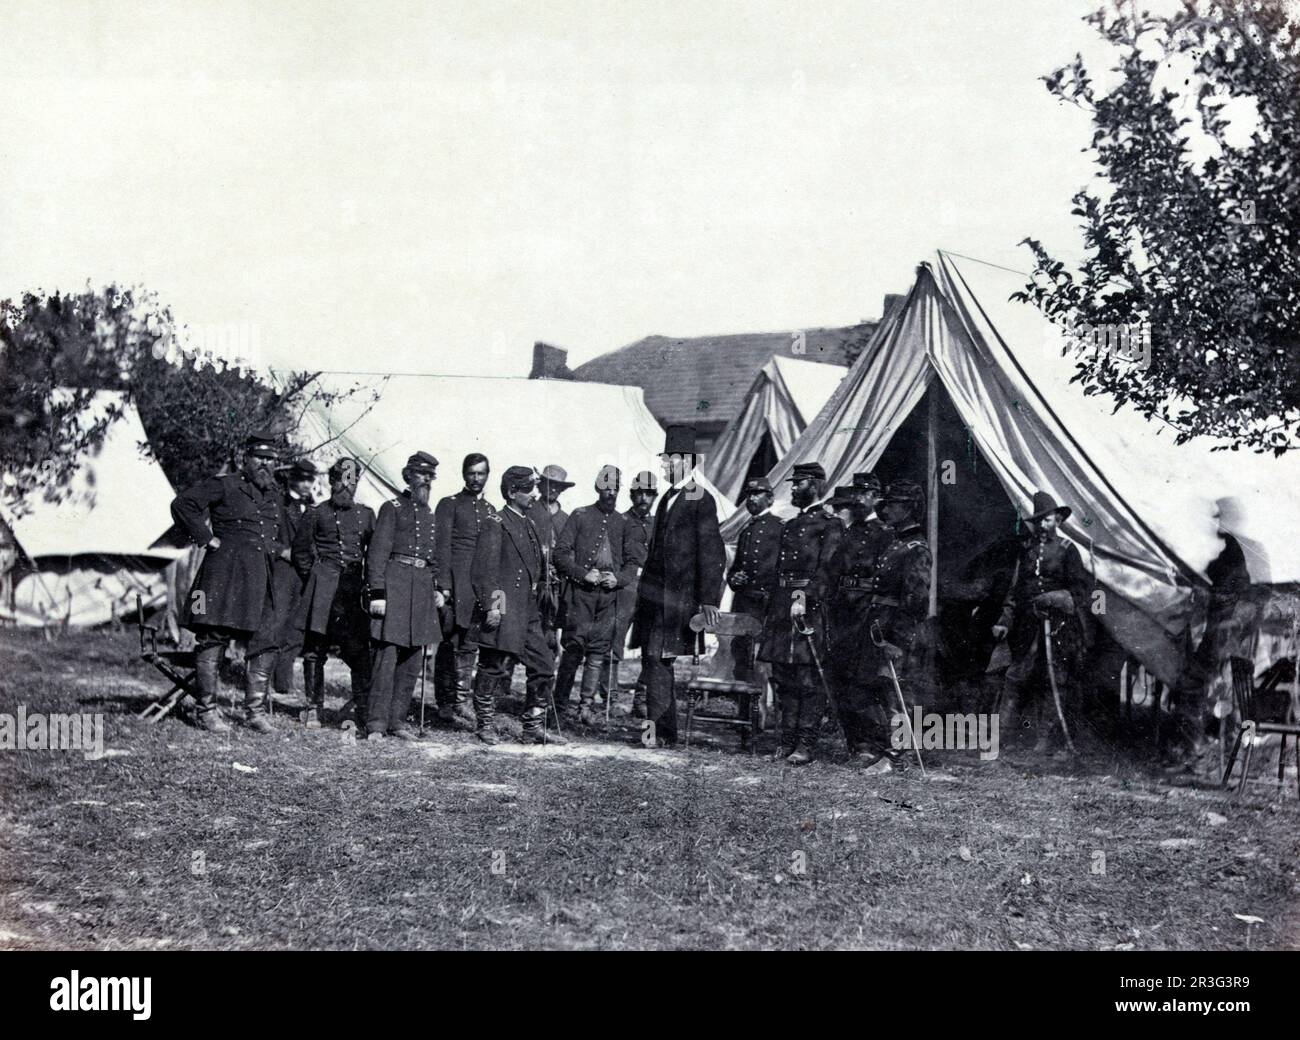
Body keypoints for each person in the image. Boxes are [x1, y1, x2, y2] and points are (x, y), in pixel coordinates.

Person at [170, 432, 286, 733]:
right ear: (245, 458)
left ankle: (255, 712)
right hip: (223, 575)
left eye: (270, 459)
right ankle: (206, 710)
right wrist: (207, 538)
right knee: (213, 638)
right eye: (260, 458)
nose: (265, 464)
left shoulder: (274, 494)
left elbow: (273, 537)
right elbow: (183, 503)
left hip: (260, 578)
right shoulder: (225, 484)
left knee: (266, 639)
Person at [629, 425, 726, 748]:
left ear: (686, 462)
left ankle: (659, 733)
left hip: (678, 601)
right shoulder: (667, 498)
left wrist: (709, 600)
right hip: (655, 599)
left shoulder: (700, 498)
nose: (665, 467)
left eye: (669, 461)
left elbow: (712, 552)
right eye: (665, 461)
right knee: (654, 660)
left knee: (658, 660)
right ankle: (662, 732)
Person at [468, 466, 566, 745]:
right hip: (504, 608)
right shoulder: (495, 523)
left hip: (527, 612)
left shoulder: (529, 523)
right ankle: (484, 724)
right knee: (492, 667)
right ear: (512, 492)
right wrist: (494, 607)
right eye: (528, 489)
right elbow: (484, 572)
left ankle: (532, 727)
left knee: (545, 665)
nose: (535, 494)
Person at [758, 462, 844, 765]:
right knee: (783, 674)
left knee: (808, 678)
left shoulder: (830, 524)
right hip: (783, 605)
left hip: (809, 608)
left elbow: (827, 570)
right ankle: (786, 740)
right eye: (794, 484)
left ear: (817, 486)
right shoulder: (791, 524)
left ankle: (806, 743)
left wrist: (805, 599)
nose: (793, 488)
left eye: (800, 483)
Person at [991, 490, 1089, 754]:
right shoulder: (1027, 551)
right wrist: (1004, 620)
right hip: (1027, 626)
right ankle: (1001, 737)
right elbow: (1015, 590)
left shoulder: (1069, 551)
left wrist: (1055, 598)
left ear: (1057, 520)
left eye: (1049, 520)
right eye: (1039, 521)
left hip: (1059, 627)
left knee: (1053, 679)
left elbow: (1081, 592)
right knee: (1015, 677)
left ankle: (1046, 739)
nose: (1043, 525)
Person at [553, 465, 645, 725]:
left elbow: (632, 564)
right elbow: (560, 554)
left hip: (609, 598)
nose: (611, 493)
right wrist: (583, 574)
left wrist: (619, 579)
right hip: (581, 595)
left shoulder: (625, 523)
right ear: (597, 488)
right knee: (573, 650)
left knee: (597, 653)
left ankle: (586, 705)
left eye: (615, 488)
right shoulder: (580, 516)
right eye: (606, 487)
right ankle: (558, 705)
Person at [365, 451, 447, 741]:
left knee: (412, 661)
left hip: (422, 590)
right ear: (407, 476)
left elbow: (435, 557)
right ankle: (375, 724)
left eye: (430, 476)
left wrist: (438, 588)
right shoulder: (392, 508)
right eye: (421, 474)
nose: (426, 480)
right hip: (395, 587)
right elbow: (377, 554)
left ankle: (397, 722)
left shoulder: (430, 514)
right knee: (386, 659)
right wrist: (378, 593)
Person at [855, 480, 933, 773]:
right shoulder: (896, 542)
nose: (887, 509)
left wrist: (898, 641)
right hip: (879, 624)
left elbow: (916, 600)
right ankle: (887, 749)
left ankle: (897, 756)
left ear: (910, 509)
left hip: (897, 631)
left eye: (894, 504)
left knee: (896, 692)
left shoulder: (916, 548)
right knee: (882, 689)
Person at [291, 457, 375, 728]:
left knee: (359, 653)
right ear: (331, 481)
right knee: (315, 651)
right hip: (323, 591)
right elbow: (300, 554)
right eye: (341, 480)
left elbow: (373, 554)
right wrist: (317, 578)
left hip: (352, 594)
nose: (346, 486)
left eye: (352, 481)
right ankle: (313, 707)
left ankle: (362, 707)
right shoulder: (316, 513)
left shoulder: (366, 514)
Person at [826, 473, 899, 760]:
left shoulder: (885, 533)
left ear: (875, 498)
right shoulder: (850, 531)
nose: (857, 498)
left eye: (864, 493)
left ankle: (874, 743)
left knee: (864, 679)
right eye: (855, 492)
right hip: (842, 610)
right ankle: (855, 742)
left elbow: (889, 578)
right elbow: (834, 571)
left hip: (867, 612)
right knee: (841, 676)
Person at [432, 453, 495, 729]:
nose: (476, 478)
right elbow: (442, 547)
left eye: (481, 473)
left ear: (487, 475)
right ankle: (444, 703)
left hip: (478, 587)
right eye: (471, 473)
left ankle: (461, 701)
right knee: (448, 642)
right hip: (454, 583)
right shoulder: (449, 505)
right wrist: (444, 586)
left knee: (469, 645)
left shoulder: (492, 510)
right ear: (463, 474)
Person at [726, 477, 783, 682]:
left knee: (763, 659)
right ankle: (743, 705)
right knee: (741, 652)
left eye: (757, 494)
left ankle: (762, 707)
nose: (751, 499)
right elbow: (734, 569)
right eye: (749, 495)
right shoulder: (746, 531)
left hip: (766, 605)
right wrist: (734, 578)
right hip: (744, 603)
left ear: (770, 499)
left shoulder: (780, 528)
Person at [529, 463, 573, 726]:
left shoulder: (566, 518)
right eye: (548, 484)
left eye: (558, 486)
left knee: (549, 641)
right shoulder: (531, 511)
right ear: (539, 485)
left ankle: (541, 699)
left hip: (555, 588)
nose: (552, 490)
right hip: (532, 584)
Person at [271, 459, 318, 700]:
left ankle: (283, 682)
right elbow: (265, 536)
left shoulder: (313, 508)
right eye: (303, 479)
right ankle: (264, 678)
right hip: (283, 571)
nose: (307, 484)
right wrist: (282, 551)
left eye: (311, 480)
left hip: (303, 574)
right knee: (276, 623)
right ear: (292, 479)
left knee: (296, 629)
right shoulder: (278, 503)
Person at [615, 470, 657, 717]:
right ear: (631, 495)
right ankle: (608, 696)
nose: (643, 498)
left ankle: (641, 698)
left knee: (651, 644)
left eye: (648, 494)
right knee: (615, 639)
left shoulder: (658, 524)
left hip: (651, 588)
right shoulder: (620, 522)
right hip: (626, 587)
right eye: (639, 493)